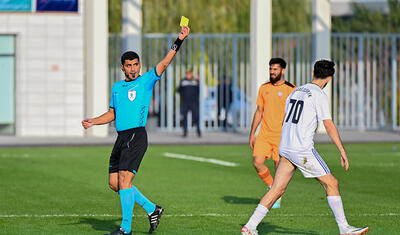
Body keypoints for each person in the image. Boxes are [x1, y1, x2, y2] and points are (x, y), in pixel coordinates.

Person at [81, 26, 190, 235]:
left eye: (135, 64)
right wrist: (93, 122)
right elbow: (113, 114)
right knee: (115, 183)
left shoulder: (146, 81)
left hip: (136, 135)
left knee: (125, 180)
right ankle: (152, 209)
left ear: (140, 65)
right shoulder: (116, 88)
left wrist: (179, 40)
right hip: (121, 138)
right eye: (129, 65)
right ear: (122, 67)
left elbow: (165, 63)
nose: (133, 68)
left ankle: (126, 229)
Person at [241, 60, 369, 235]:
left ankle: (250, 227)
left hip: (285, 147)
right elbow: (329, 124)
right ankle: (345, 229)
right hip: (301, 150)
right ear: (329, 78)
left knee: (277, 189)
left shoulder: (296, 90)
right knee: (332, 183)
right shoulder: (319, 95)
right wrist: (342, 149)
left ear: (312, 73)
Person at [249, 58, 295, 208]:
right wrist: (252, 133)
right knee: (257, 162)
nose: (272, 72)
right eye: (270, 69)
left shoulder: (292, 89)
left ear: (283, 70)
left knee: (279, 169)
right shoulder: (264, 88)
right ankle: (272, 187)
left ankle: (276, 195)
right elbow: (259, 111)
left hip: (281, 136)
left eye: (275, 69)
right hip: (264, 134)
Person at [177, 68, 201, 137]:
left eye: (189, 73)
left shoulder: (195, 81)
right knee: (184, 117)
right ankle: (185, 132)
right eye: (187, 73)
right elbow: (179, 90)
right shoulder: (183, 81)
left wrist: (198, 80)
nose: (188, 75)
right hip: (185, 102)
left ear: (191, 74)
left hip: (194, 102)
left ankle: (198, 131)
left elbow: (198, 90)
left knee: (196, 117)